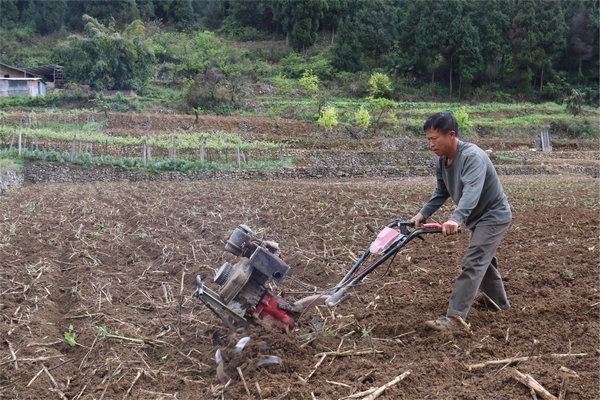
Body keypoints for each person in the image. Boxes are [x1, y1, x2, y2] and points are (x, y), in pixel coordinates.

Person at [411, 112, 512, 332]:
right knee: (483, 263)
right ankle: (500, 307)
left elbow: (472, 191)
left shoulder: (472, 156)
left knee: (474, 261)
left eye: (434, 139)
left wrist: (456, 218)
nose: (430, 144)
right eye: (428, 139)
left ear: (451, 135)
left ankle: (455, 318)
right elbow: (441, 191)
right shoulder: (442, 160)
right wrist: (422, 214)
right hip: (478, 218)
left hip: (493, 216)